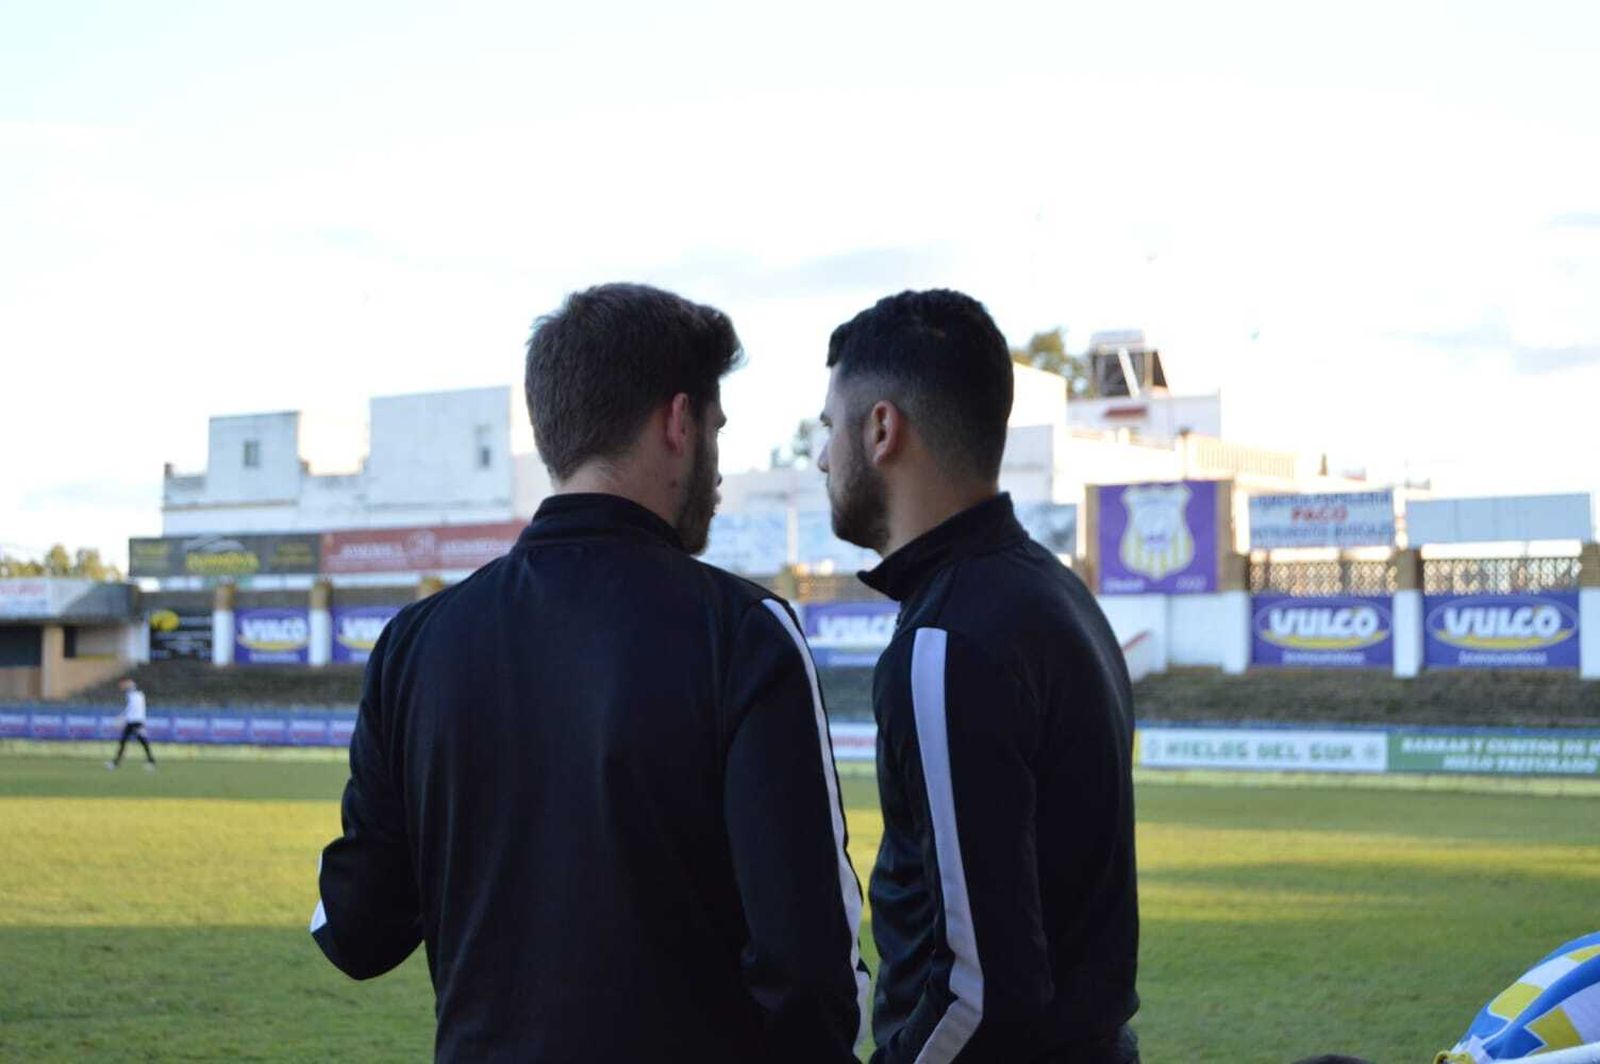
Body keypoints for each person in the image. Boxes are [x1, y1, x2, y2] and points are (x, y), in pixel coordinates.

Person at [310, 283, 867, 1062]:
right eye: (716, 428)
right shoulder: (742, 632)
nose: (715, 466)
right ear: (678, 423)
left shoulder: (415, 644)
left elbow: (355, 928)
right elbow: (811, 970)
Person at [817, 290, 1140, 1063]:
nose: (825, 455)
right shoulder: (1053, 594)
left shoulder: (948, 640)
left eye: (829, 429)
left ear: (882, 429)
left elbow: (982, 991)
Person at [106, 677, 156, 770]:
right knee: (132, 742)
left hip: (135, 722)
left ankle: (151, 761)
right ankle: (116, 762)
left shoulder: (134, 696)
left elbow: (130, 709)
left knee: (137, 742)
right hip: (136, 722)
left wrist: (121, 717)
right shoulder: (139, 695)